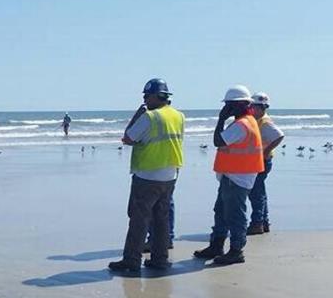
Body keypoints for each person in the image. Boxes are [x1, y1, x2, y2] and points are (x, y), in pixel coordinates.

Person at [108, 78, 185, 273]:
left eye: (146, 96)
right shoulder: (178, 116)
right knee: (161, 219)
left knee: (139, 219)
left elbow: (128, 138)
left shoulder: (150, 117)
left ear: (155, 96)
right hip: (170, 174)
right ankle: (160, 259)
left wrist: (137, 115)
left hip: (148, 175)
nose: (144, 101)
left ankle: (131, 260)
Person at [193, 85, 264, 266]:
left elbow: (218, 140)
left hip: (238, 177)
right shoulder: (247, 120)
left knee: (234, 214)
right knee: (221, 212)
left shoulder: (242, 124)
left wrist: (220, 119)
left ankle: (236, 250)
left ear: (239, 105)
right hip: (233, 175)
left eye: (229, 105)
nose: (226, 109)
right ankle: (216, 245)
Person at [247, 92, 284, 235]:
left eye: (254, 107)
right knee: (259, 191)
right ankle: (264, 222)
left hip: (263, 160)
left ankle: (257, 223)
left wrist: (266, 151)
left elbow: (279, 136)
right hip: (260, 160)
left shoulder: (265, 122)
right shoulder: (257, 120)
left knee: (256, 193)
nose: (252, 109)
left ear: (262, 108)